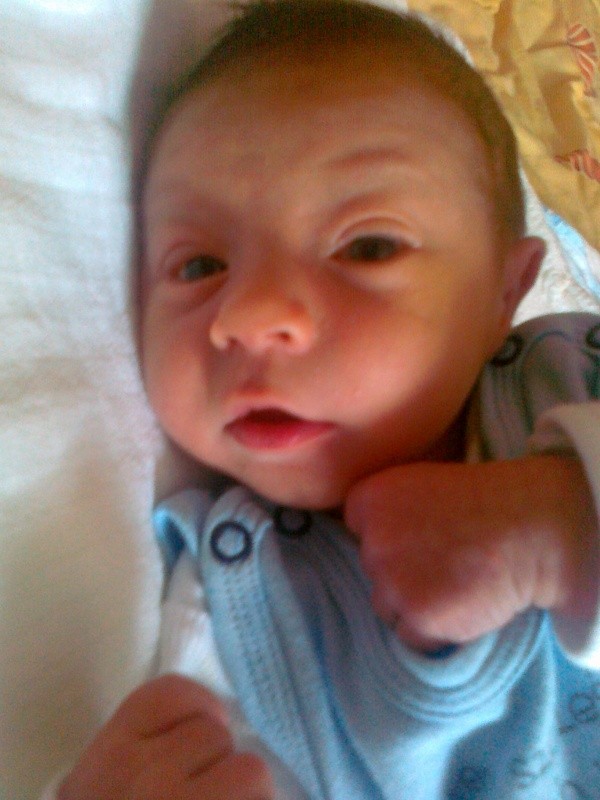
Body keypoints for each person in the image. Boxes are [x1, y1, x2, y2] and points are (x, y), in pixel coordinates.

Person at [55, 1, 600, 798]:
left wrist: (566, 523)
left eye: (368, 247)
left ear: (504, 293)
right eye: (200, 266)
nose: (248, 316)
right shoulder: (231, 608)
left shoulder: (571, 377)